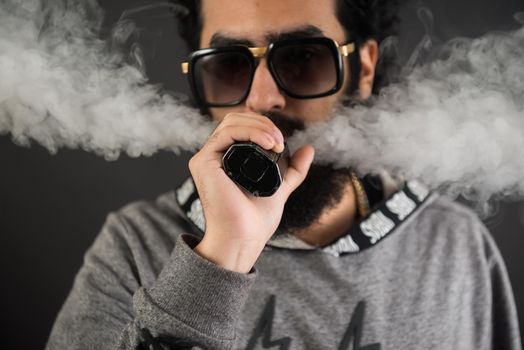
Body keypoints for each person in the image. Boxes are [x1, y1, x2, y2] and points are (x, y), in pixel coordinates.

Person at [46, 0, 521, 349]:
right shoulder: (135, 246)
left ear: (364, 67)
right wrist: (221, 256)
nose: (263, 99)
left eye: (302, 58)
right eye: (230, 66)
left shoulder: (454, 245)